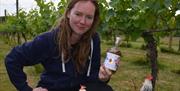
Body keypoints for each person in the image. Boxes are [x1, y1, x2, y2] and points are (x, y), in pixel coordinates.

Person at [5, 0, 118, 91]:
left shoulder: (94, 40)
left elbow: (93, 77)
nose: (83, 21)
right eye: (78, 14)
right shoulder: (48, 40)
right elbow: (12, 59)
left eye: (89, 17)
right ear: (68, 13)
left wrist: (103, 78)